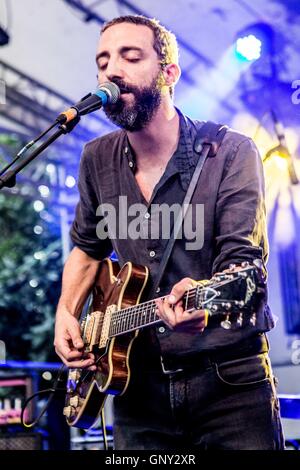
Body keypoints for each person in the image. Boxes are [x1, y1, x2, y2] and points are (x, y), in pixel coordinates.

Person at [54, 15, 284, 450]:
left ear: (169, 73)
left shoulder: (230, 152)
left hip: (228, 386)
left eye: (130, 56)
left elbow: (244, 268)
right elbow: (87, 249)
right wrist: (67, 312)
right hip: (137, 393)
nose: (111, 71)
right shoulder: (96, 159)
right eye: (102, 61)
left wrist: (205, 304)